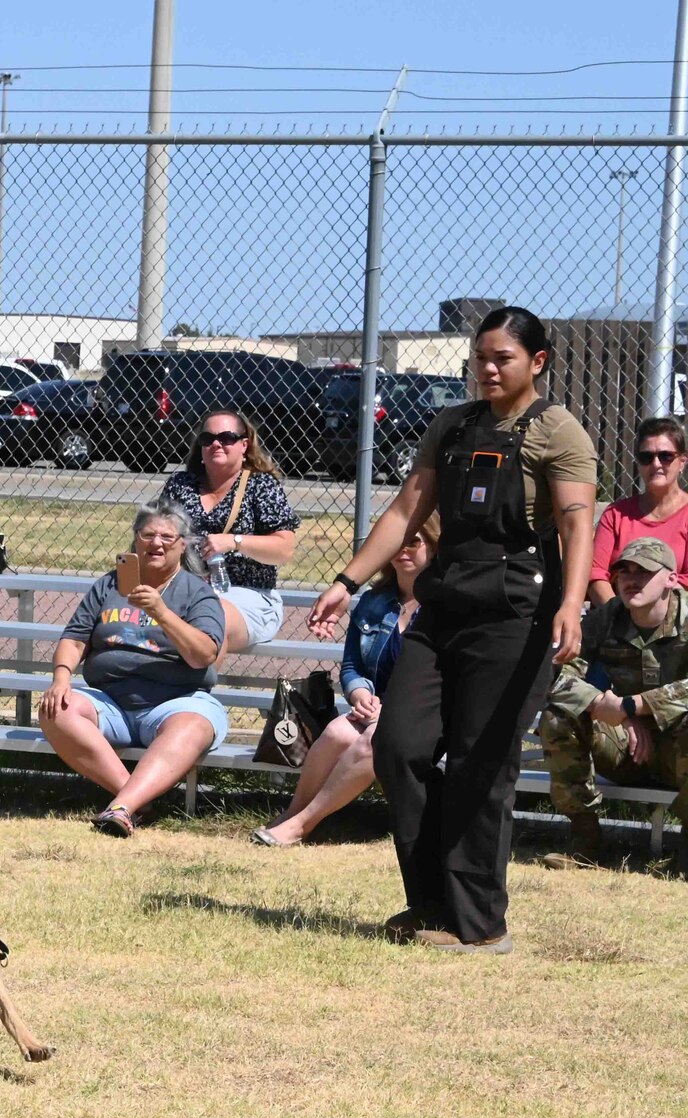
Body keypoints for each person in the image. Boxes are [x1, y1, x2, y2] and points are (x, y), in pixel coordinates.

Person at [308, 306, 597, 955]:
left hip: (515, 616)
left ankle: (480, 924)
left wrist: (570, 603)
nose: (489, 368)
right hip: (445, 609)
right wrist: (348, 581)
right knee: (400, 745)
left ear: (538, 363)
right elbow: (408, 508)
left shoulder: (559, 433)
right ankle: (431, 901)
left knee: (479, 764)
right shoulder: (453, 425)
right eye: (482, 356)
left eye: (504, 358)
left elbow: (578, 524)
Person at [38, 498, 230, 837]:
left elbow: (203, 655)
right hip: (110, 701)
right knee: (56, 709)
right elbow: (75, 637)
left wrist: (162, 613)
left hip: (178, 701)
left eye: (167, 537)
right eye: (147, 534)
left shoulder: (197, 593)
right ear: (135, 538)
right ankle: (135, 801)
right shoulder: (109, 585)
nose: (156, 543)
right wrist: (61, 677)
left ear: (182, 544)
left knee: (195, 725)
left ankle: (122, 807)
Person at [251, 516, 437, 846]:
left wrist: (391, 711)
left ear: (435, 545)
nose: (402, 550)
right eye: (397, 542)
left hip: (427, 717)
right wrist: (360, 693)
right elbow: (351, 666)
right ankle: (292, 813)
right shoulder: (373, 603)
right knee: (337, 731)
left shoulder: (444, 607)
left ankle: (303, 825)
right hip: (374, 711)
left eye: (414, 542)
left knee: (375, 740)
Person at [539, 537, 688, 873]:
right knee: (559, 717)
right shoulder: (606, 618)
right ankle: (585, 842)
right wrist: (602, 705)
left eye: (644, 572)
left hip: (677, 751)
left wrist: (634, 706)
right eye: (624, 572)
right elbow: (557, 676)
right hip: (624, 747)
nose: (631, 580)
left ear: (671, 579)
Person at [160, 409, 301, 654]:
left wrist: (234, 542)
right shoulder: (180, 486)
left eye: (226, 438)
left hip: (248, 595)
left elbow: (284, 549)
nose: (216, 444)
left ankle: (193, 691)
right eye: (208, 439)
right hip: (185, 589)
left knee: (210, 619)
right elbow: (158, 535)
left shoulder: (261, 486)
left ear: (244, 445)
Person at [589, 417, 688, 605]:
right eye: (646, 457)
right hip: (618, 616)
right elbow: (595, 574)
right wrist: (621, 616)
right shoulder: (616, 514)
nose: (656, 464)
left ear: (682, 462)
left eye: (665, 456)